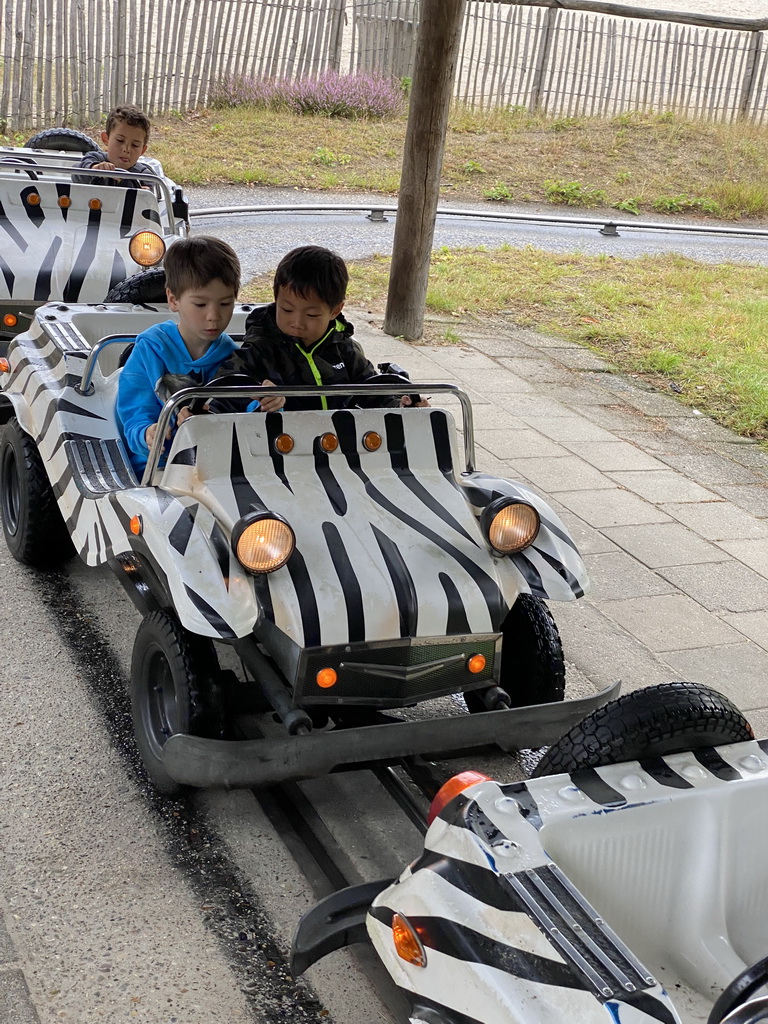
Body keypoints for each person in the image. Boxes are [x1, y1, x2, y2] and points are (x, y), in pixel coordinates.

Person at [214, 244, 427, 412]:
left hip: (344, 449)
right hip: (279, 452)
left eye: (312, 315)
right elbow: (225, 385)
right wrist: (258, 394)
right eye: (286, 310)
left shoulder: (345, 350)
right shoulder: (261, 349)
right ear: (275, 299)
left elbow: (372, 391)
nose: (297, 322)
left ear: (335, 311)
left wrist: (401, 404)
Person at [117, 235, 240, 475]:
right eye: (200, 305)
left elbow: (246, 411)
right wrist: (148, 433)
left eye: (225, 304)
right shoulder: (150, 348)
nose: (213, 316)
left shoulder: (236, 358)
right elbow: (134, 414)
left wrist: (269, 403)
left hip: (217, 470)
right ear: (173, 300)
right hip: (156, 468)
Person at [74, 104, 154, 188]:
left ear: (142, 150)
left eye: (135, 145)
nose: (126, 149)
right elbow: (76, 174)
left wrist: (145, 194)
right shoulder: (94, 158)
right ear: (106, 139)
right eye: (120, 140)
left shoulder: (144, 175)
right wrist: (94, 169)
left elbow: (151, 193)